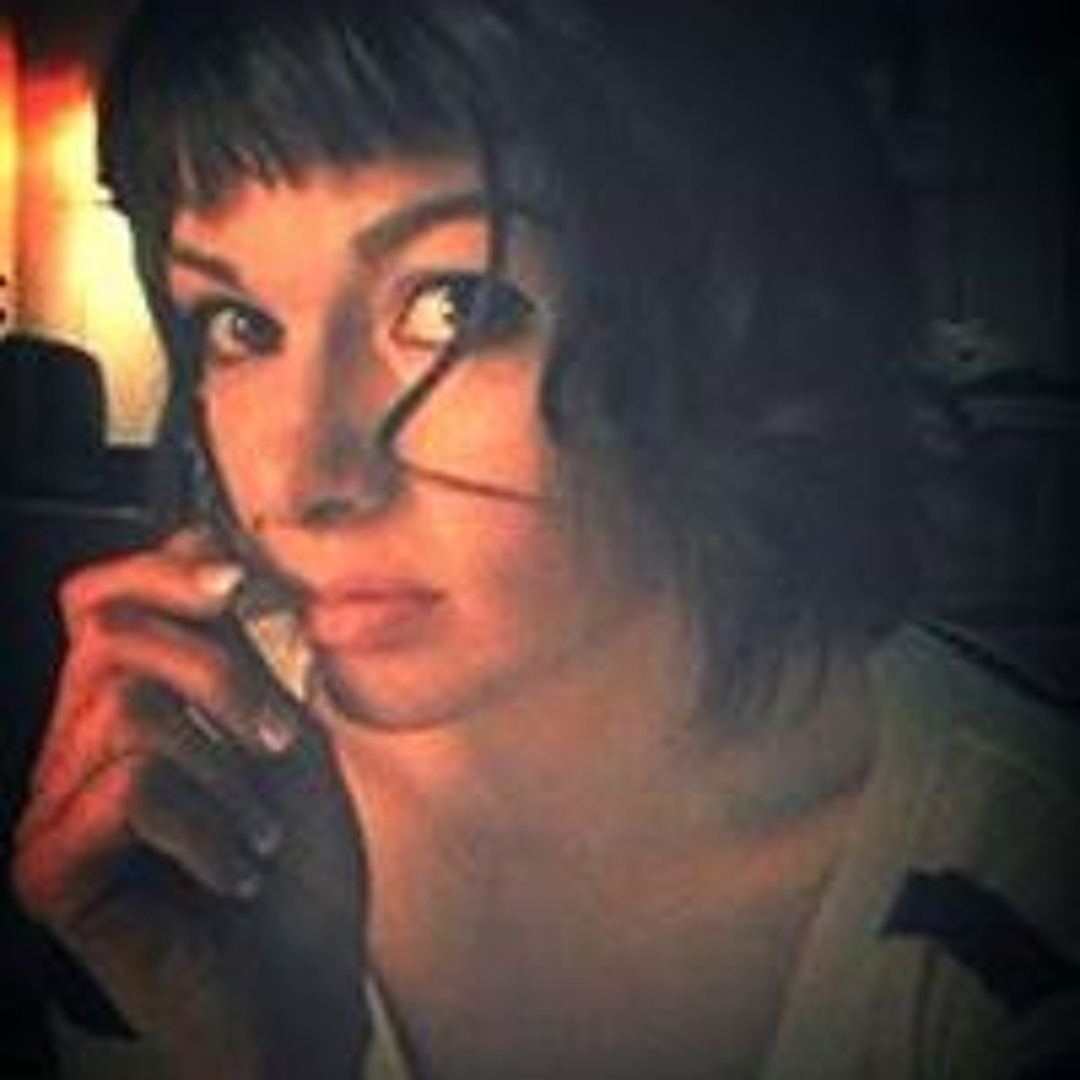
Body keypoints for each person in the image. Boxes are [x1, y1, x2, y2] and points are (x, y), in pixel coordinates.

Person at [9, 0, 1080, 1077]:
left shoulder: (1026, 881)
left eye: (457, 306)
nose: (302, 483)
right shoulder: (170, 803)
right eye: (240, 326)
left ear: (731, 315)